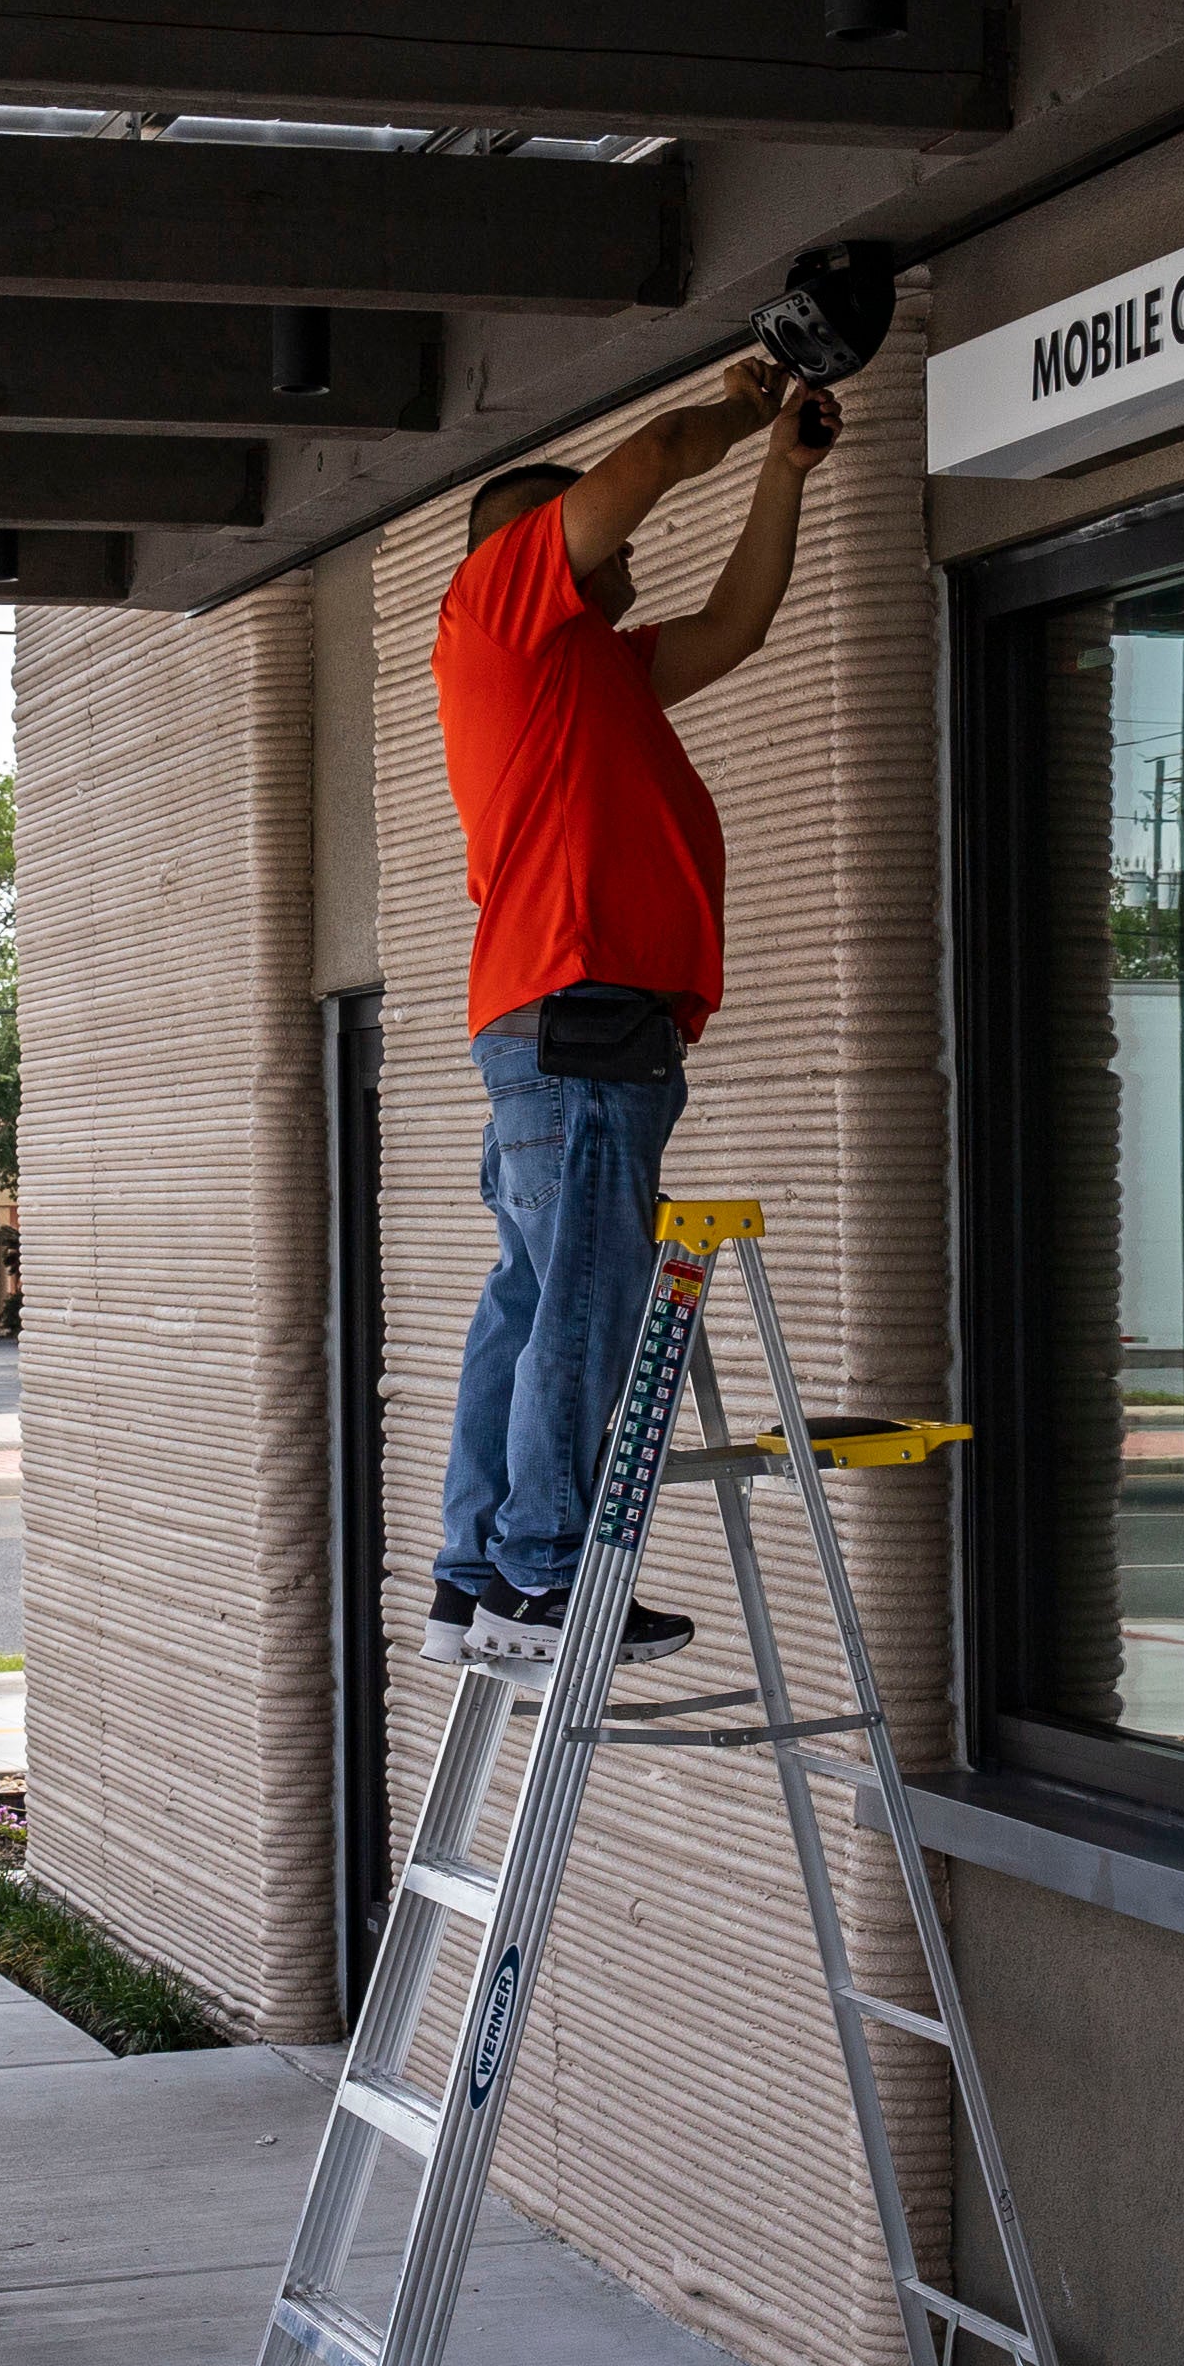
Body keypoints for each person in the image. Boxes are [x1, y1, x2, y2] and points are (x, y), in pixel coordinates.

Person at [427, 348, 840, 1665]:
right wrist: (746, 403)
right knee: (585, 1307)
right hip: (585, 1015)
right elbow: (650, 464)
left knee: (534, 1299)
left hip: (574, 1024)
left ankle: (475, 1573)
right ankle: (544, 1578)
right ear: (537, 549)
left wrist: (782, 468)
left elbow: (737, 627)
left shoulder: (586, 670)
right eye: (604, 555)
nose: (631, 570)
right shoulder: (498, 612)